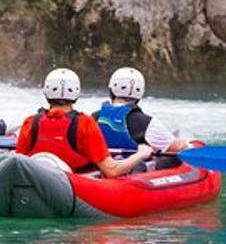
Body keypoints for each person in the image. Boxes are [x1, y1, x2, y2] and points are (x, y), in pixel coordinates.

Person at [15, 68, 152, 175]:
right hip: (74, 186)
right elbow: (112, 170)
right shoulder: (85, 124)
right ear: (76, 94)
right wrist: (141, 154)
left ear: (46, 92)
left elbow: (18, 161)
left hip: (36, 179)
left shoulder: (30, 122)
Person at [93, 67, 187, 167]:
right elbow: (174, 147)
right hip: (130, 173)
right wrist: (187, 143)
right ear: (140, 93)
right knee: (175, 158)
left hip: (98, 170)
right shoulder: (146, 122)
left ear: (111, 89)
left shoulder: (93, 118)